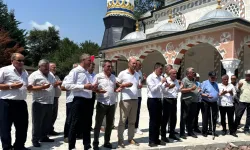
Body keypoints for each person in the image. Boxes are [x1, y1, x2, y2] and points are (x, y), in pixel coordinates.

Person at [64, 54, 96, 150]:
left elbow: (88, 86)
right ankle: (72, 146)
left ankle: (87, 145)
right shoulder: (75, 71)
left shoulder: (87, 72)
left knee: (87, 124)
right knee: (75, 123)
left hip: (88, 101)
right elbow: (67, 85)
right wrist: (83, 86)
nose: (91, 62)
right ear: (83, 60)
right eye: (89, 60)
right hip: (78, 101)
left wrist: (93, 87)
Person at [0, 53, 30, 150]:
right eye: (19, 60)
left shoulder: (25, 72)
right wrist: (11, 86)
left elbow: (26, 86)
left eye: (23, 61)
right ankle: (7, 147)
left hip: (21, 103)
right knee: (5, 127)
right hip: (7, 103)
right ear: (12, 60)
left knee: (22, 126)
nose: (21, 62)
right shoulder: (4, 70)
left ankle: (19, 146)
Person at [28, 59, 60, 147]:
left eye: (47, 66)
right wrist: (41, 87)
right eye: (44, 66)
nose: (46, 68)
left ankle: (44, 137)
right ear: (39, 67)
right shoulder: (34, 75)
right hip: (39, 102)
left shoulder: (50, 75)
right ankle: (35, 139)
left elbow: (53, 84)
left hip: (49, 102)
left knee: (47, 121)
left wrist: (56, 84)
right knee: (37, 122)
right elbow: (29, 88)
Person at [92, 60, 118, 150]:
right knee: (98, 124)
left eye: (111, 66)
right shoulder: (98, 76)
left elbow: (115, 87)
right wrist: (98, 91)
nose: (110, 68)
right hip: (102, 103)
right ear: (103, 67)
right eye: (108, 66)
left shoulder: (114, 77)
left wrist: (118, 89)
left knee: (109, 124)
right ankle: (95, 143)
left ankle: (107, 142)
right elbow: (92, 88)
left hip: (111, 103)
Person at [116, 56, 140, 148]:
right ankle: (120, 140)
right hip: (125, 99)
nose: (135, 65)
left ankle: (130, 138)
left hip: (135, 99)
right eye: (133, 63)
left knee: (132, 121)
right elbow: (116, 83)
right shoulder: (123, 73)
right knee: (122, 120)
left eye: (135, 63)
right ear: (129, 63)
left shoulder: (137, 74)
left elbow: (136, 85)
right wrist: (124, 85)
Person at [147, 62, 166, 147]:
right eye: (161, 69)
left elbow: (161, 90)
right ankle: (151, 141)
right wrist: (161, 82)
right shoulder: (150, 77)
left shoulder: (160, 77)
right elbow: (153, 90)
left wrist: (166, 85)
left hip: (159, 100)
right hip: (152, 101)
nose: (162, 71)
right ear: (156, 68)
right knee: (153, 121)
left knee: (159, 121)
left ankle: (156, 139)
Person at [124, 59, 146, 135]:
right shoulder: (130, 73)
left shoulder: (139, 73)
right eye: (139, 65)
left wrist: (144, 80)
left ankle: (136, 128)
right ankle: (126, 128)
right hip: (130, 95)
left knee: (137, 112)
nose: (140, 66)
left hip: (138, 95)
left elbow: (140, 84)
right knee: (128, 112)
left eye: (141, 65)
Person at [161, 69, 180, 142]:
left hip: (174, 100)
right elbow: (163, 91)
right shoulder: (166, 80)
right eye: (173, 73)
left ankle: (172, 133)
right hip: (167, 100)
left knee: (173, 118)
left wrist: (180, 87)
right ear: (170, 74)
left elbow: (177, 90)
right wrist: (169, 87)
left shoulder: (176, 81)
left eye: (176, 73)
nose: (175, 75)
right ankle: (163, 136)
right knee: (165, 118)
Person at [61, 63, 79, 143]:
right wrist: (72, 87)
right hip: (70, 100)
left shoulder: (80, 77)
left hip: (79, 100)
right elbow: (62, 87)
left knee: (77, 118)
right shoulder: (68, 77)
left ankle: (76, 133)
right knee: (69, 118)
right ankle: (67, 135)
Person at [180, 67, 198, 139]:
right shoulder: (184, 80)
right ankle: (182, 133)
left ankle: (190, 131)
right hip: (186, 101)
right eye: (192, 72)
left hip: (193, 101)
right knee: (184, 117)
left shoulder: (193, 80)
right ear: (188, 73)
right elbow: (181, 90)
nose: (194, 73)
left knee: (191, 117)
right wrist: (191, 89)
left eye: (193, 72)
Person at [200, 71, 219, 137]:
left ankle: (212, 131)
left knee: (214, 117)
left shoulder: (216, 83)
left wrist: (219, 94)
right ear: (209, 77)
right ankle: (204, 131)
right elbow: (200, 93)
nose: (213, 78)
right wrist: (206, 95)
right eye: (212, 77)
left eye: (214, 77)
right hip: (206, 102)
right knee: (205, 117)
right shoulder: (204, 83)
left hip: (214, 102)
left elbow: (217, 92)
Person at [234, 70, 250, 135]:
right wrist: (239, 87)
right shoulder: (241, 81)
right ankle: (234, 129)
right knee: (238, 115)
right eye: (247, 75)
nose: (248, 77)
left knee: (249, 116)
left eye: (249, 75)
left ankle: (246, 129)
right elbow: (236, 91)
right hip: (242, 101)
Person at [49, 62, 62, 136]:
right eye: (53, 67)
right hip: (51, 98)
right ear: (49, 67)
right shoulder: (48, 76)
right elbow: (48, 86)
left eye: (55, 67)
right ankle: (47, 130)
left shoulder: (56, 76)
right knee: (50, 115)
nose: (55, 68)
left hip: (56, 98)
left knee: (54, 115)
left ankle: (51, 129)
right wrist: (56, 84)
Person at [88, 62, 96, 131]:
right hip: (86, 94)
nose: (92, 68)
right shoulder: (85, 74)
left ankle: (89, 125)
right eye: (91, 67)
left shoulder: (94, 75)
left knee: (90, 111)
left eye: (93, 67)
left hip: (92, 94)